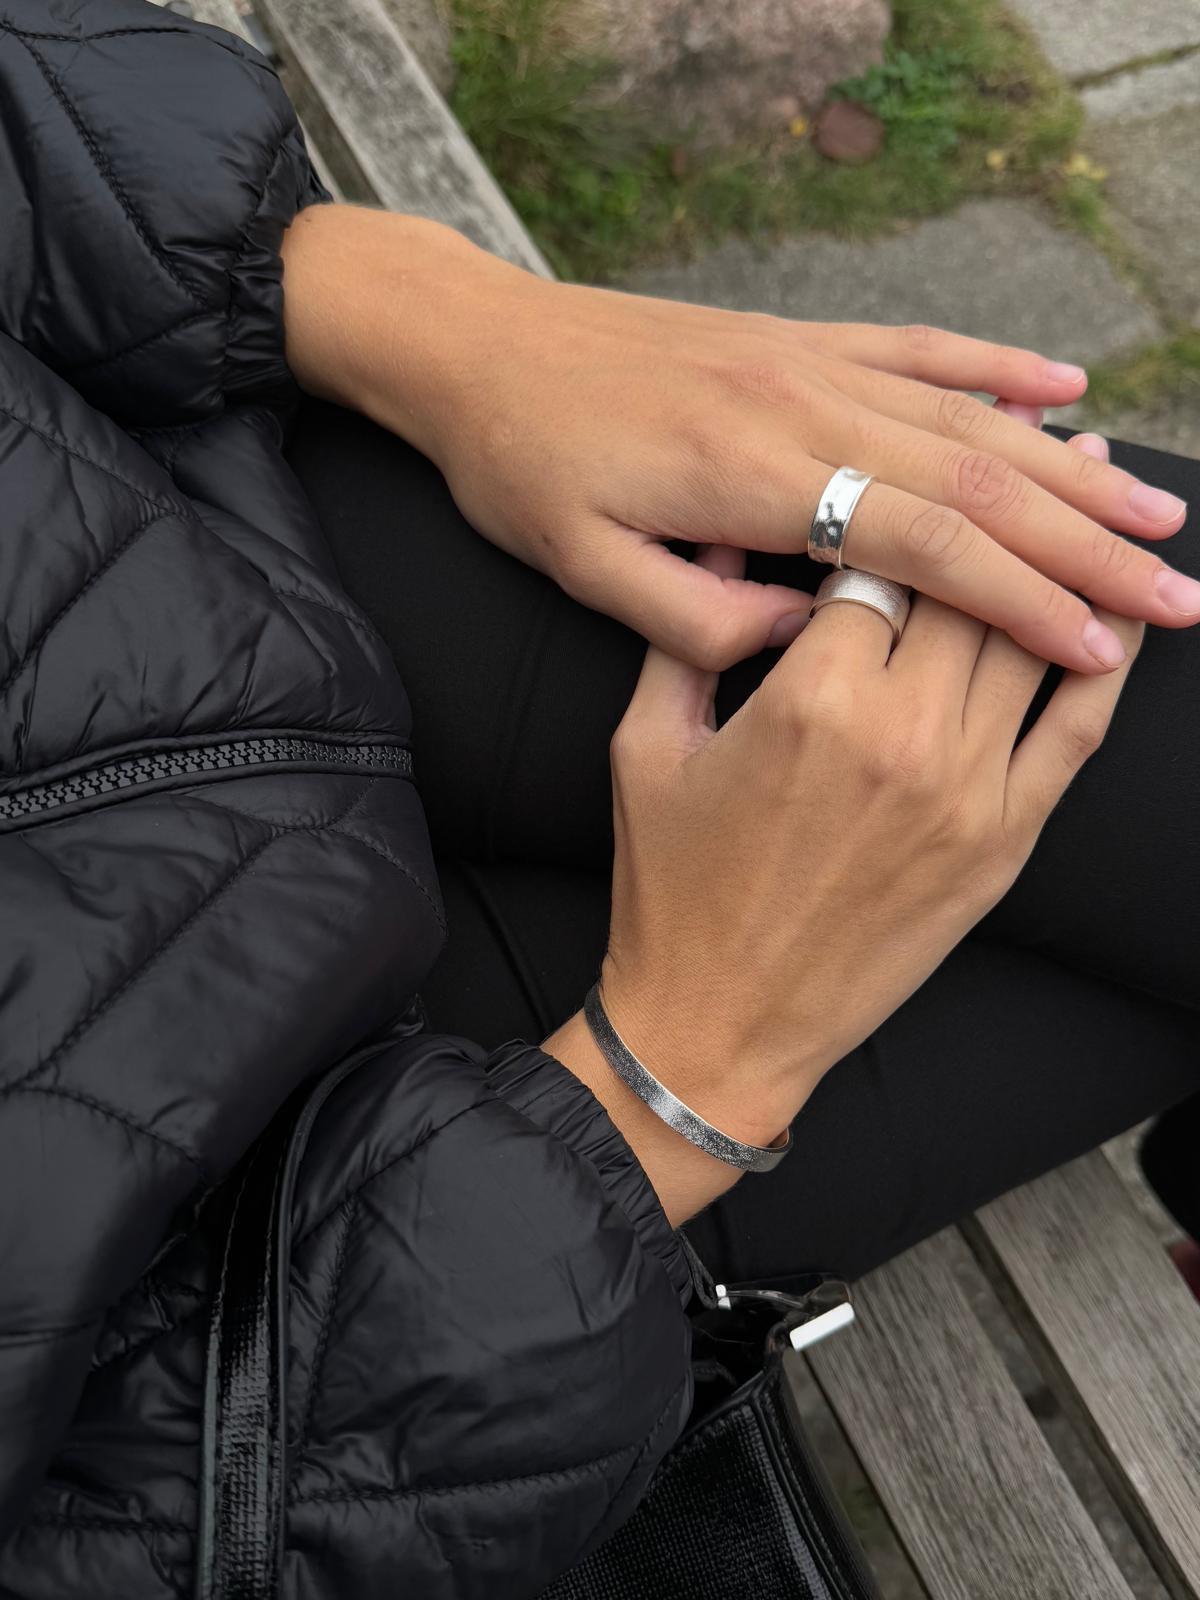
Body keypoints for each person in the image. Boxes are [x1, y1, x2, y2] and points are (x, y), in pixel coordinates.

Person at [0, 5, 1194, 1598]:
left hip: (163, 544)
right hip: (283, 1270)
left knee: (1095, 617)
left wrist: (396, 304)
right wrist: (673, 1076)